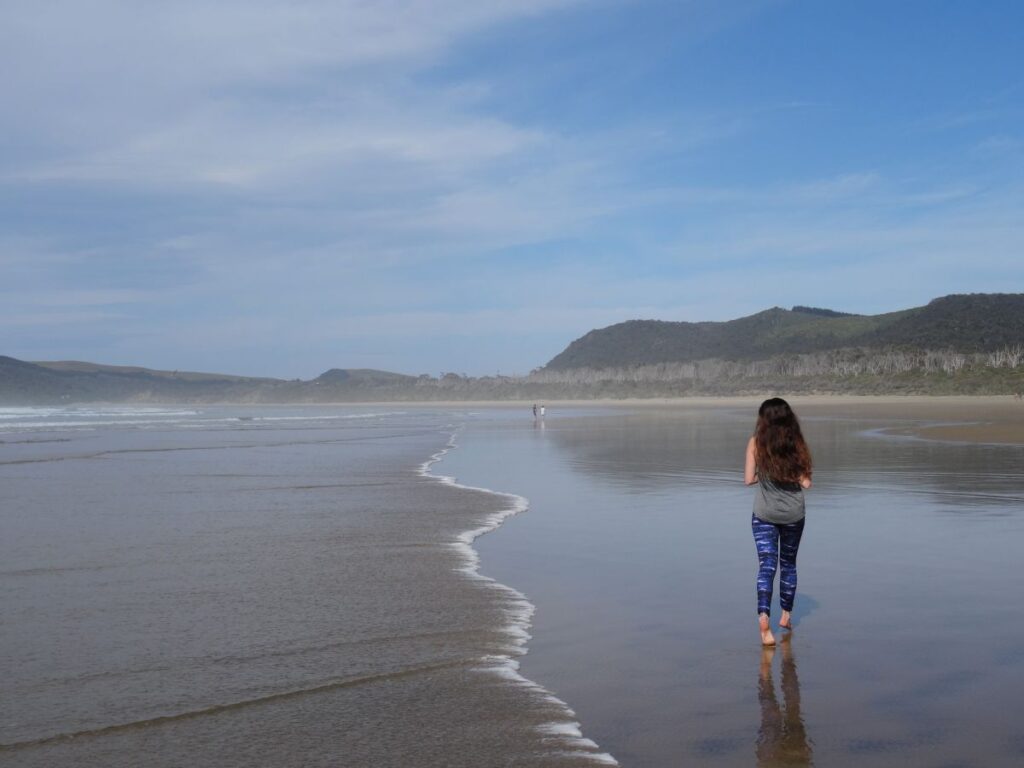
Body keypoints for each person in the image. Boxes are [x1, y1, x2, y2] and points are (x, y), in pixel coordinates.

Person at [744, 398, 812, 646]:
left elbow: (748, 479)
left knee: (766, 566)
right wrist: (788, 473)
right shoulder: (796, 443)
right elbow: (806, 482)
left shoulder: (755, 443)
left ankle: (764, 620)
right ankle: (785, 616)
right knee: (788, 564)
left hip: (764, 515)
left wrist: (766, 474)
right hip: (793, 515)